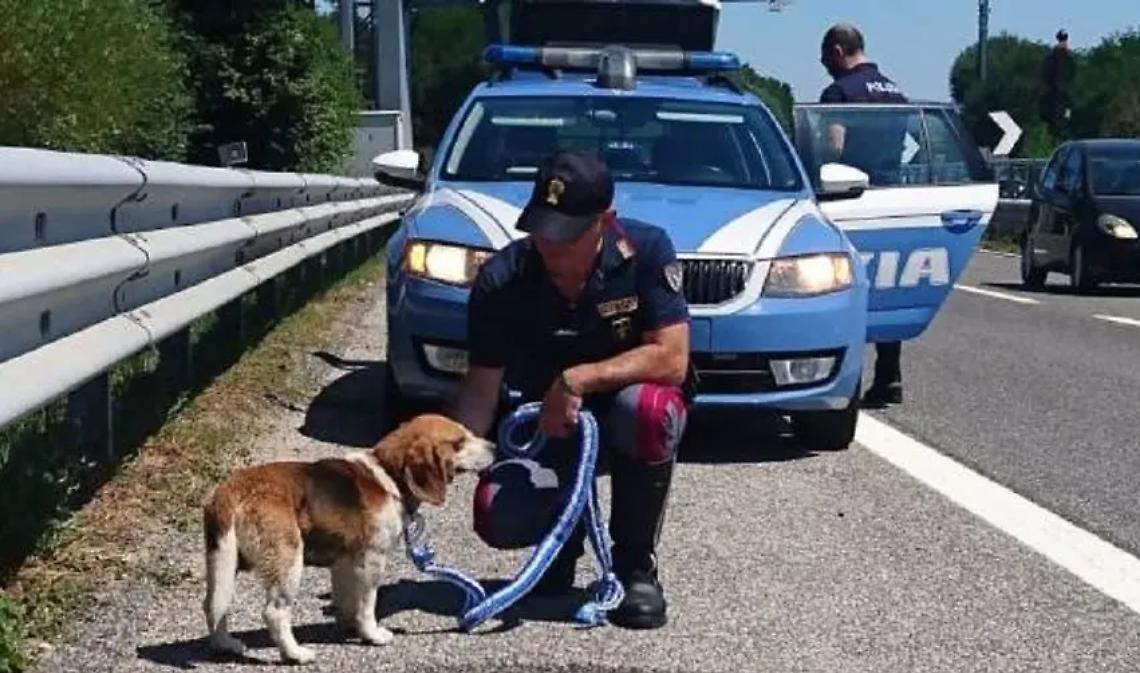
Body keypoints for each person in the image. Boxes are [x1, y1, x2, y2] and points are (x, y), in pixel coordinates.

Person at [447, 149, 692, 630]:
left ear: (606, 220)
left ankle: (634, 566)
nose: (550, 246)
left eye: (566, 234)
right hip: (543, 421)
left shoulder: (646, 251)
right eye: (542, 229)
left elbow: (672, 358)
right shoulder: (503, 278)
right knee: (496, 514)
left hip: (621, 409)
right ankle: (558, 550)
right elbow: (480, 388)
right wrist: (443, 457)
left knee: (645, 410)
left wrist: (578, 378)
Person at [818, 22, 908, 406]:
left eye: (825, 57)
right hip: (892, 199)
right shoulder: (895, 92)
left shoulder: (839, 92)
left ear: (838, 51)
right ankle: (889, 374)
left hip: (848, 199)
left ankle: (840, 380)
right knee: (887, 283)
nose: (823, 64)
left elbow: (832, 148)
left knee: (840, 286)